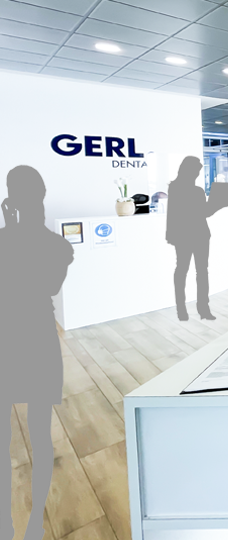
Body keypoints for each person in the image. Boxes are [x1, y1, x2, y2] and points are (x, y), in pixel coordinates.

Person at [0, 165, 74, 540]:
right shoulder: (58, 246)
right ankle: (35, 525)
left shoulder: (4, 240)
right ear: (42, 196)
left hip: (8, 336)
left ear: (10, 198)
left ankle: (5, 522)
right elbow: (49, 285)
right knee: (40, 435)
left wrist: (10, 229)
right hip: (40, 337)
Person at [166, 156, 224, 321]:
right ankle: (200, 310)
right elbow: (203, 212)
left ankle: (185, 310)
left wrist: (170, 234)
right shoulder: (192, 190)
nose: (198, 174)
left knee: (185, 270)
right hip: (194, 235)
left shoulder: (175, 188)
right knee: (198, 271)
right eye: (197, 171)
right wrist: (217, 204)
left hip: (191, 235)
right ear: (189, 170)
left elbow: (178, 213)